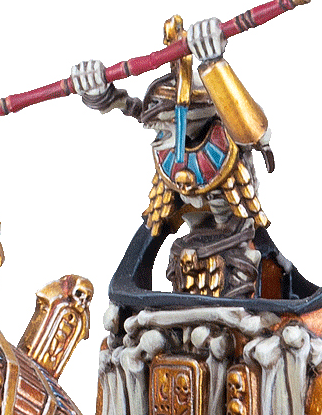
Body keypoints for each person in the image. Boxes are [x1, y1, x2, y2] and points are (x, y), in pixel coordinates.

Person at [72, 15, 282, 299]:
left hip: (235, 250)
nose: (174, 127)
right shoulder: (166, 140)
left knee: (235, 263)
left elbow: (256, 132)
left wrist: (214, 63)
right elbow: (133, 109)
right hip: (190, 251)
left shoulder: (231, 132)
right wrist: (100, 92)